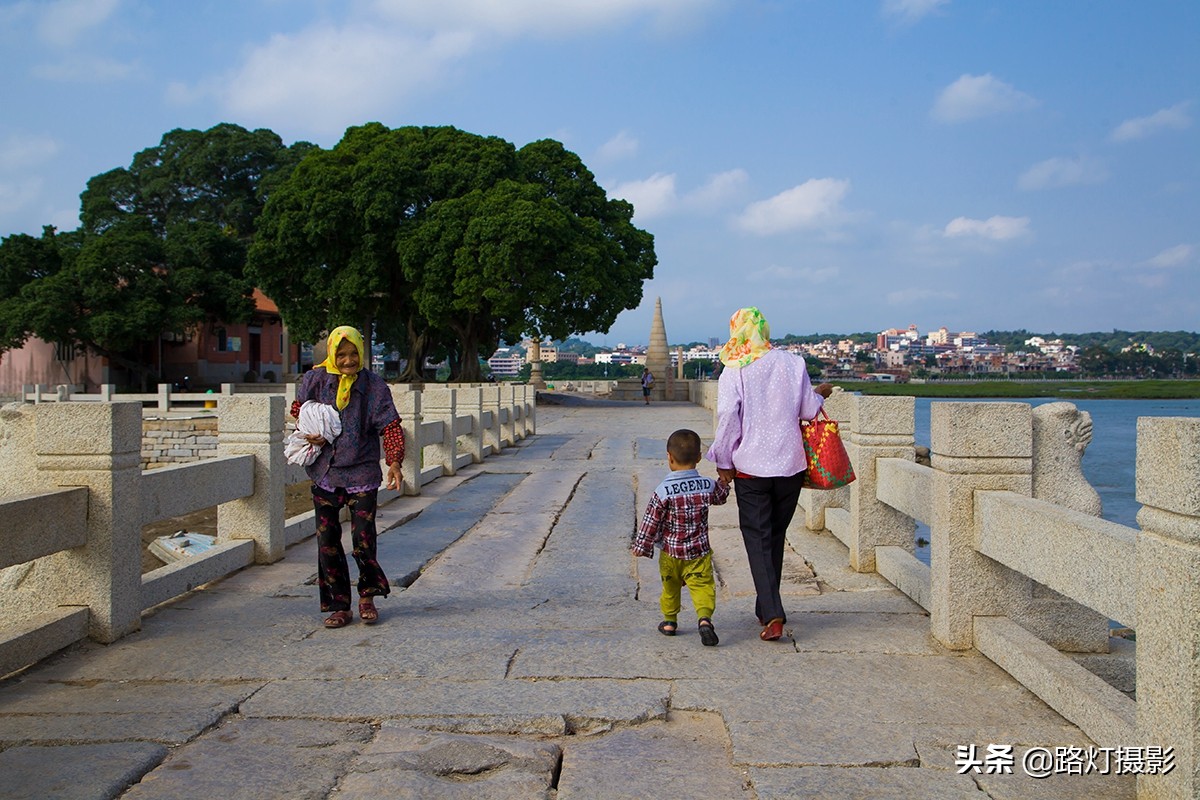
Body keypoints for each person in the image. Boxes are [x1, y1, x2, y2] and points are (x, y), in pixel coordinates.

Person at [704, 307, 833, 642]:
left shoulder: (736, 369)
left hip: (751, 467)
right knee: (774, 535)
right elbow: (808, 409)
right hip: (790, 465)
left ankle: (773, 613)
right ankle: (767, 609)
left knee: (759, 538)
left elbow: (728, 417)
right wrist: (819, 393)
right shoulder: (794, 363)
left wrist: (723, 459)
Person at [292, 326, 405, 629]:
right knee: (327, 541)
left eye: (353, 353)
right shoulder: (314, 379)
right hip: (325, 472)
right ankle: (339, 604)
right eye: (340, 354)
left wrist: (394, 462)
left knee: (362, 539)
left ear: (361, 353)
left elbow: (391, 425)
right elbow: (298, 409)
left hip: (362, 472)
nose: (347, 360)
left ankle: (367, 596)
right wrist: (310, 428)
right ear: (331, 354)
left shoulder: (374, 386)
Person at [632, 429, 730, 646]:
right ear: (698, 457)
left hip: (671, 552)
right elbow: (720, 498)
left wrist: (642, 546)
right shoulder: (706, 485)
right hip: (699, 552)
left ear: (669, 457)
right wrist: (724, 482)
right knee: (703, 586)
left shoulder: (663, 490)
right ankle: (704, 619)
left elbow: (651, 520)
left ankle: (669, 621)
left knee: (670, 588)